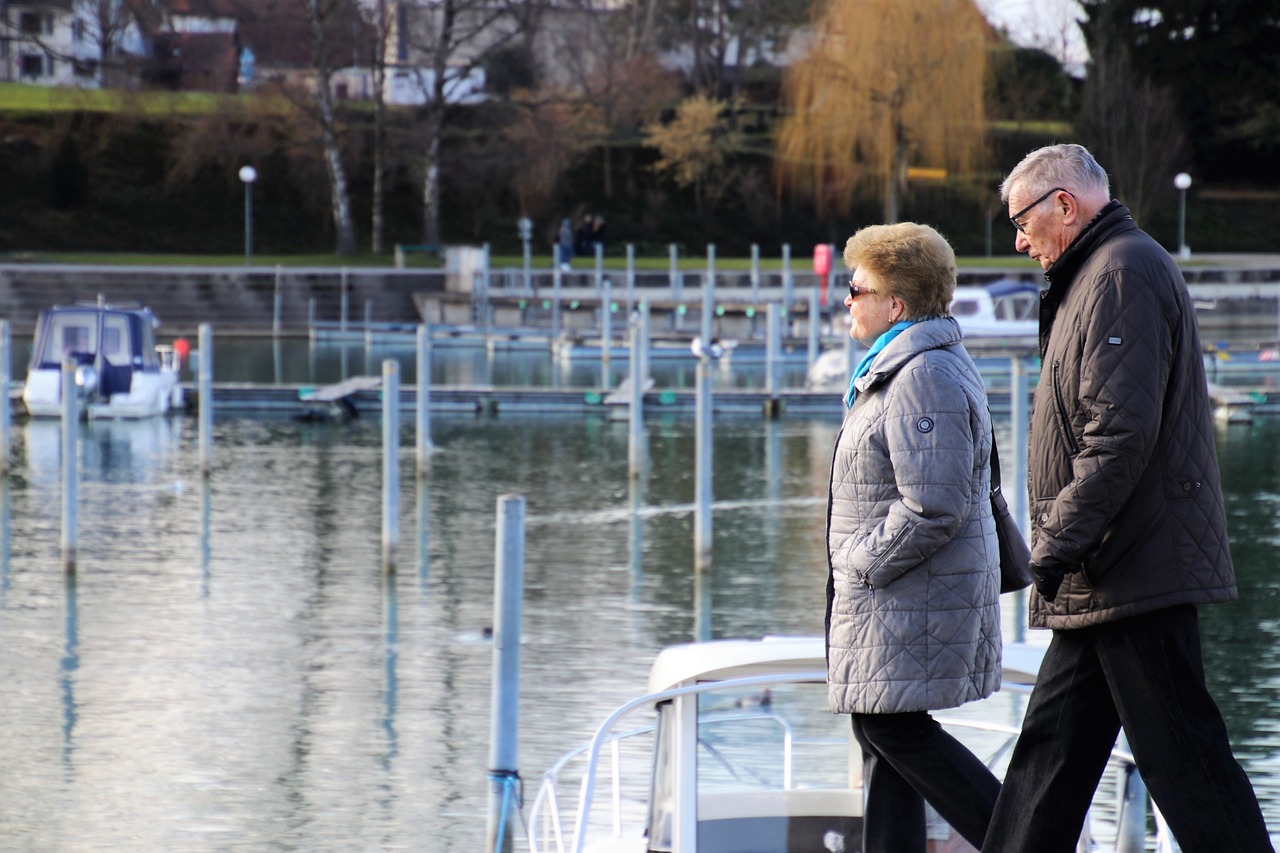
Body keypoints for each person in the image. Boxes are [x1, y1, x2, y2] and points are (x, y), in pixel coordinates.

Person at [981, 143, 1274, 852]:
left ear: (1064, 204)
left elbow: (1119, 433)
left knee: (1189, 766)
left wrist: (1052, 548)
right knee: (1047, 761)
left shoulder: (1122, 273)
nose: (1019, 241)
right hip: (1110, 569)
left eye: (1022, 222)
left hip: (1131, 567)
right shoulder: (1100, 273)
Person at [826, 222, 1003, 853]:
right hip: (896, 601)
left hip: (902, 598)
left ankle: (1022, 838)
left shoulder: (921, 375)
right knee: (881, 734)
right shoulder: (900, 366)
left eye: (857, 288)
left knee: (893, 732)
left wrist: (860, 564)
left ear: (895, 304)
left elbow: (933, 505)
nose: (846, 299)